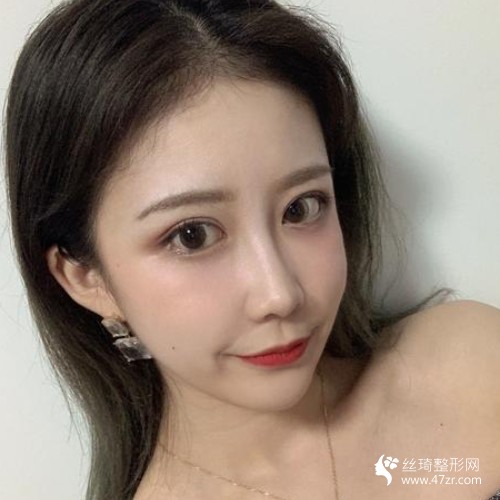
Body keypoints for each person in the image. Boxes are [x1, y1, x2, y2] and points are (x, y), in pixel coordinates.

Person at [4, 0, 500, 499]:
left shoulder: (473, 366)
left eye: (301, 208)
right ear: (86, 278)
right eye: (192, 235)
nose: (279, 294)